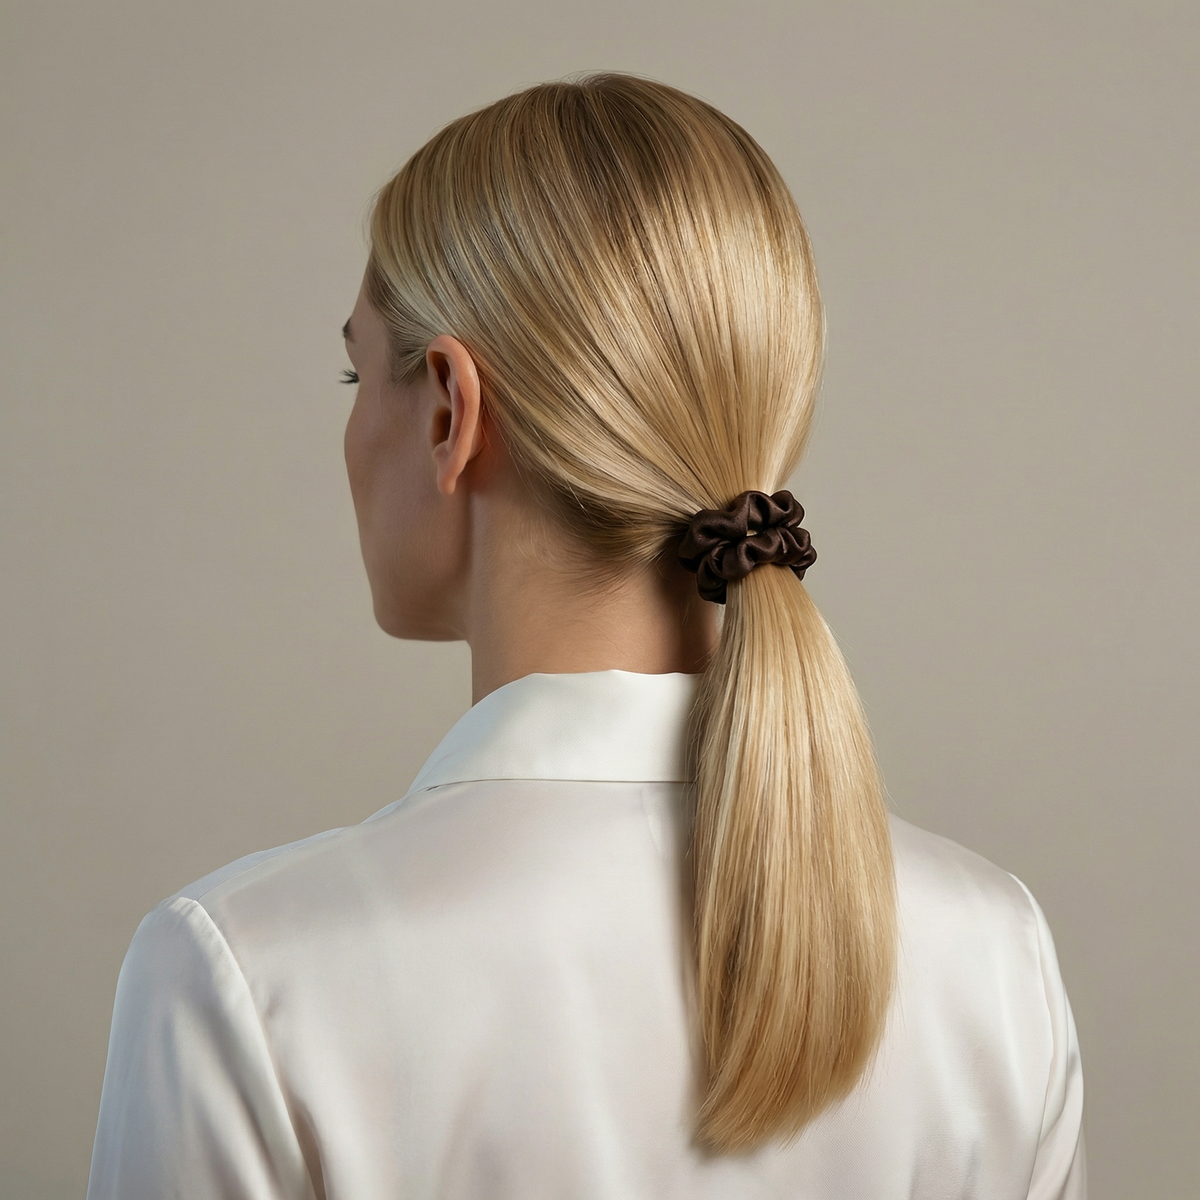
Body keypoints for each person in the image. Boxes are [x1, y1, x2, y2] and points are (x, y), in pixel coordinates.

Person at [86, 74, 1085, 1199]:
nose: (350, 428)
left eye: (356, 372)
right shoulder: (993, 954)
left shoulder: (243, 975)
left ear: (450, 410)